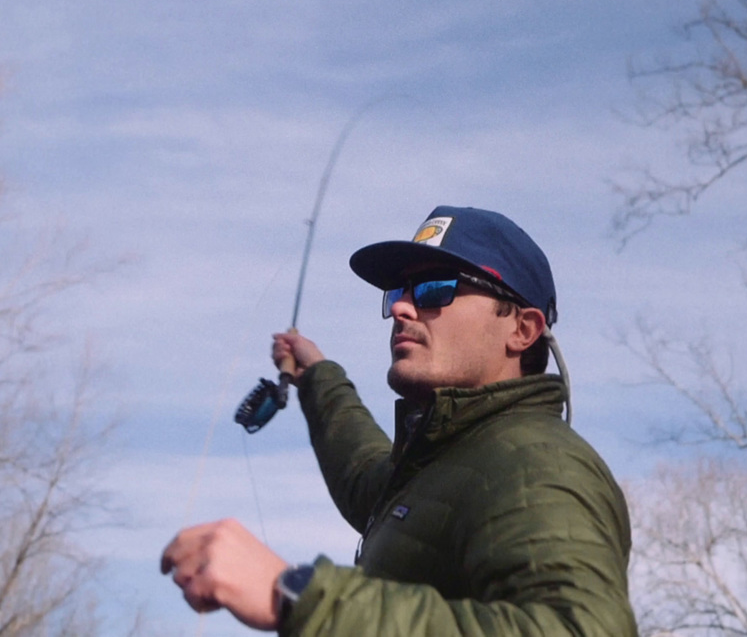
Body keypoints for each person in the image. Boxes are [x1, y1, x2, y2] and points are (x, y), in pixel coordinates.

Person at [160, 206, 636, 635]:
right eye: (399, 293)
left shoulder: (537, 463)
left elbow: (578, 628)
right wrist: (316, 378)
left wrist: (295, 595)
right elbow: (370, 480)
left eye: (435, 289)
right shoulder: (447, 462)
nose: (403, 308)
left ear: (522, 329)